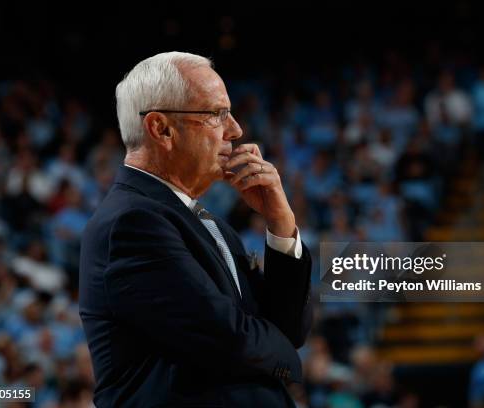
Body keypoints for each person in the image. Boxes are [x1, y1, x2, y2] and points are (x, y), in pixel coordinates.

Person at [79, 52, 312, 407]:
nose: (235, 130)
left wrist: (281, 225)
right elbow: (229, 340)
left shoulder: (208, 222)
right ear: (161, 128)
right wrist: (290, 360)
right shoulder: (133, 224)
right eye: (217, 114)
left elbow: (289, 329)